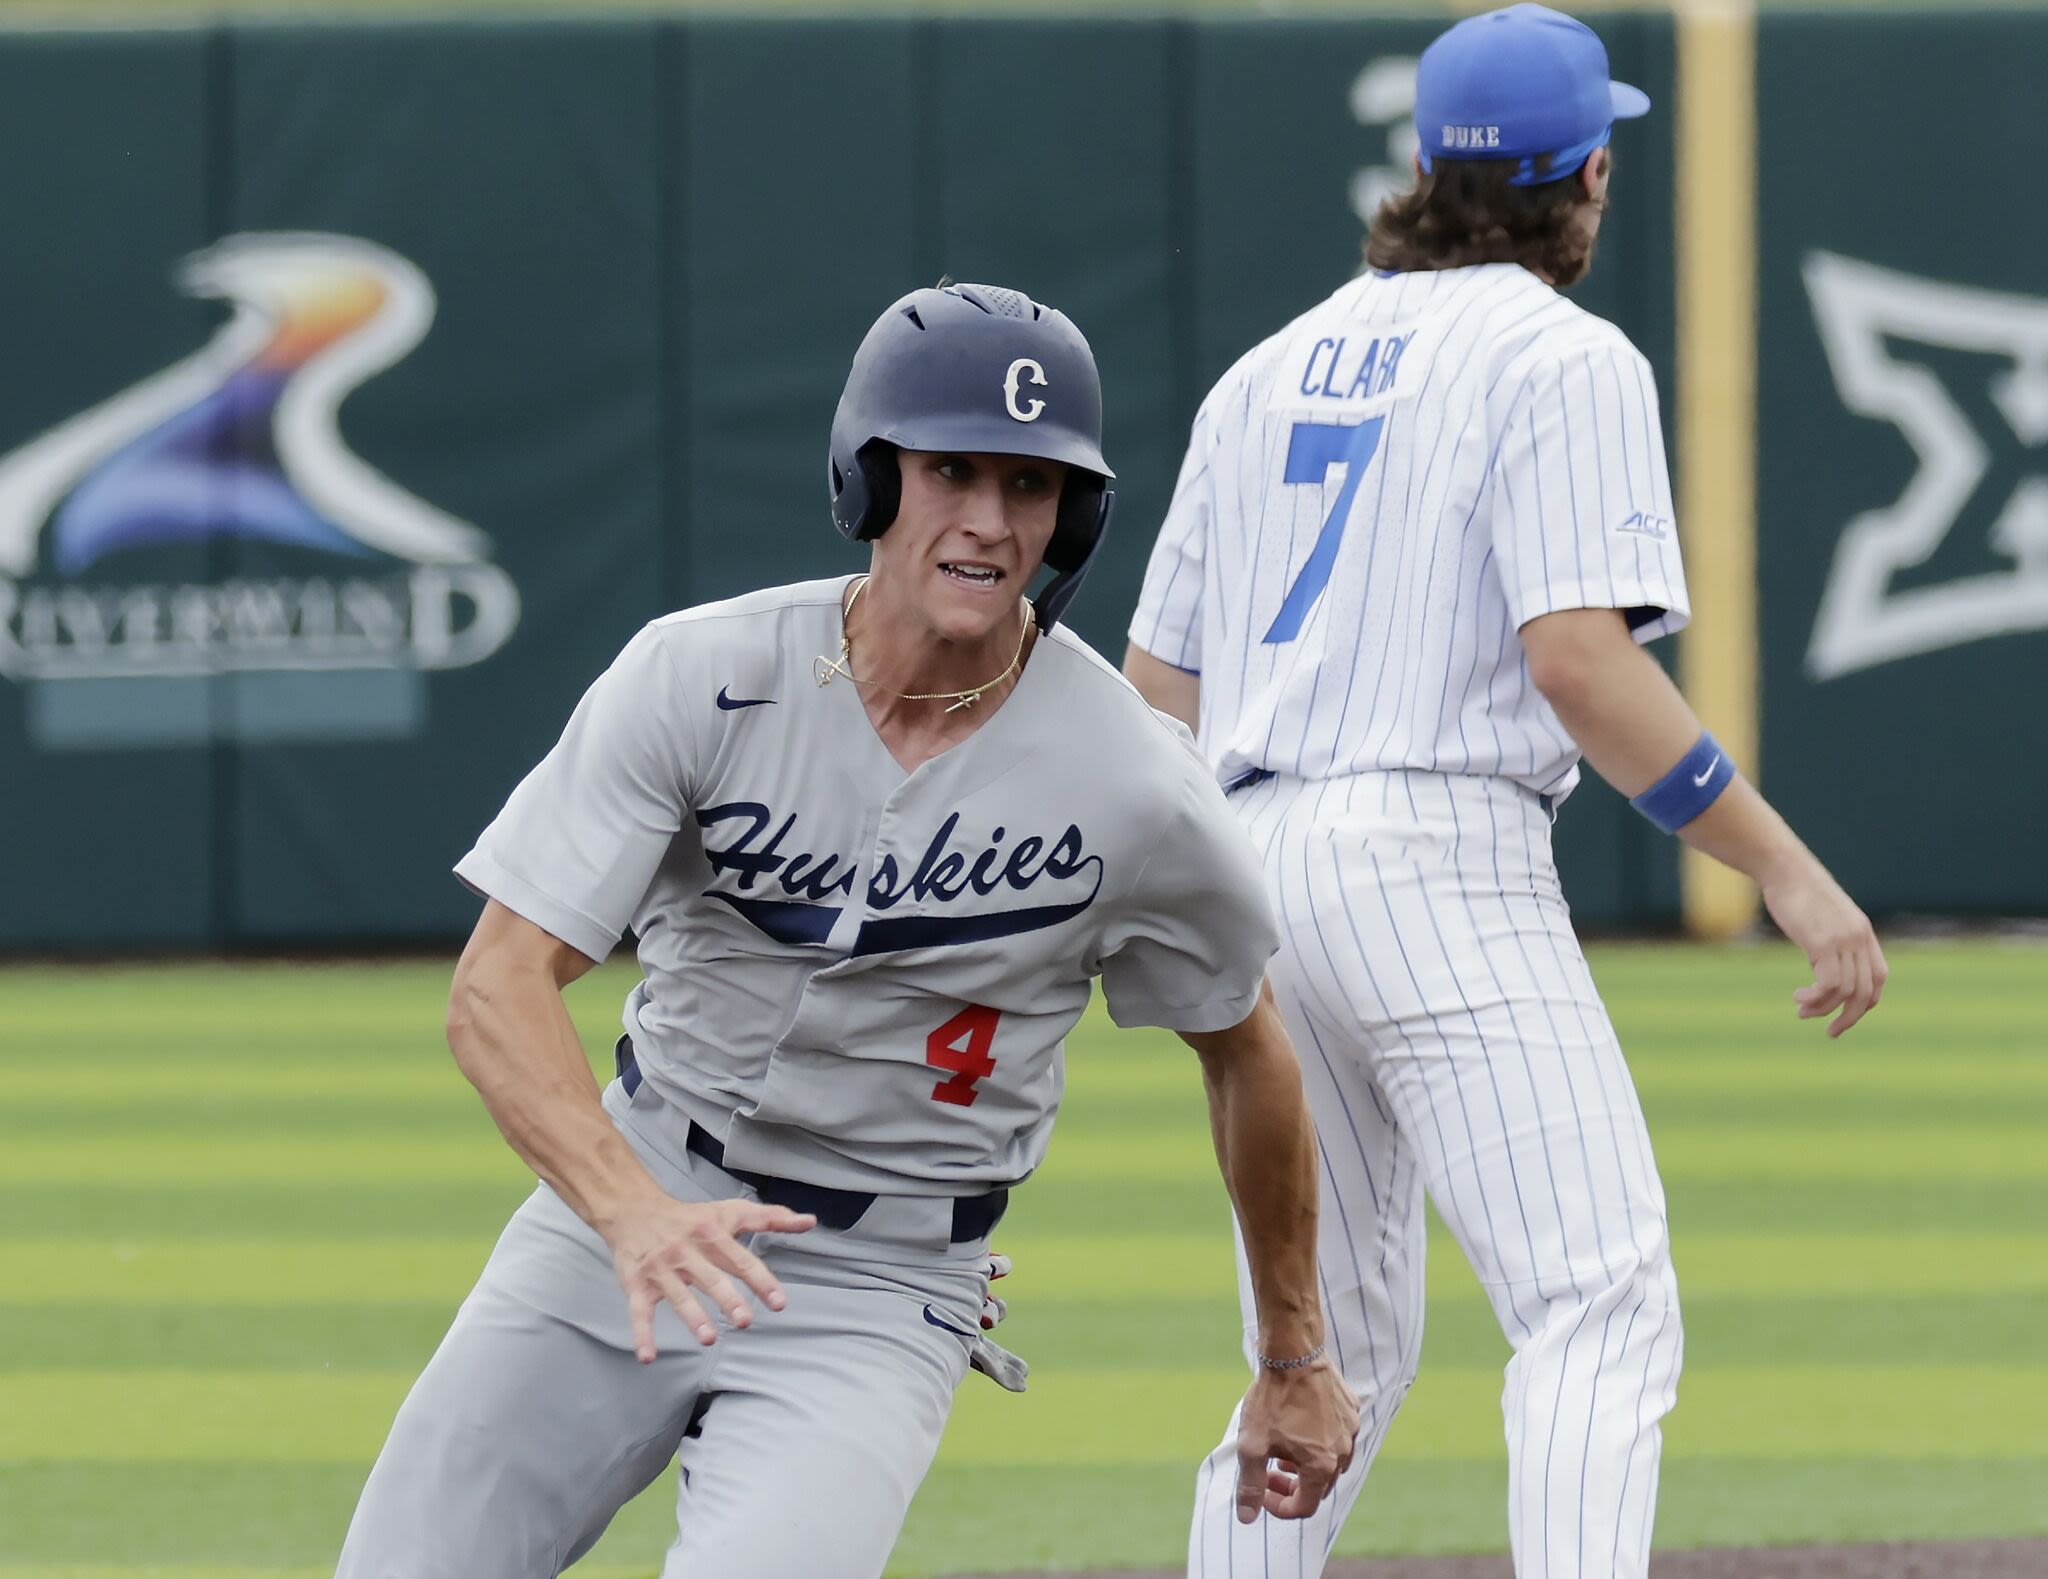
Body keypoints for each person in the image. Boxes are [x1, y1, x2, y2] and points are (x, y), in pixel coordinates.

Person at [335, 280, 1357, 1579]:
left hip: (878, 1286)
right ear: (869, 478)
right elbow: (498, 985)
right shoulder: (701, 678)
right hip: (627, 1210)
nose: (991, 521)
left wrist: (1294, 1355)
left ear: (1074, 515)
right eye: (952, 471)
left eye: (1033, 487)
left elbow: (1248, 1050)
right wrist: (630, 1211)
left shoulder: (1135, 783)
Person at [1121, 8, 1889, 1577]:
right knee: (1596, 1301)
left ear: (1423, 165)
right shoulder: (1564, 354)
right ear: (1591, 175)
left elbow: (1151, 703)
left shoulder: (1263, 373)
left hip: (1251, 856)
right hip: (1435, 854)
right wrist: (1786, 872)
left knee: (1325, 1350)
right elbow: (1581, 669)